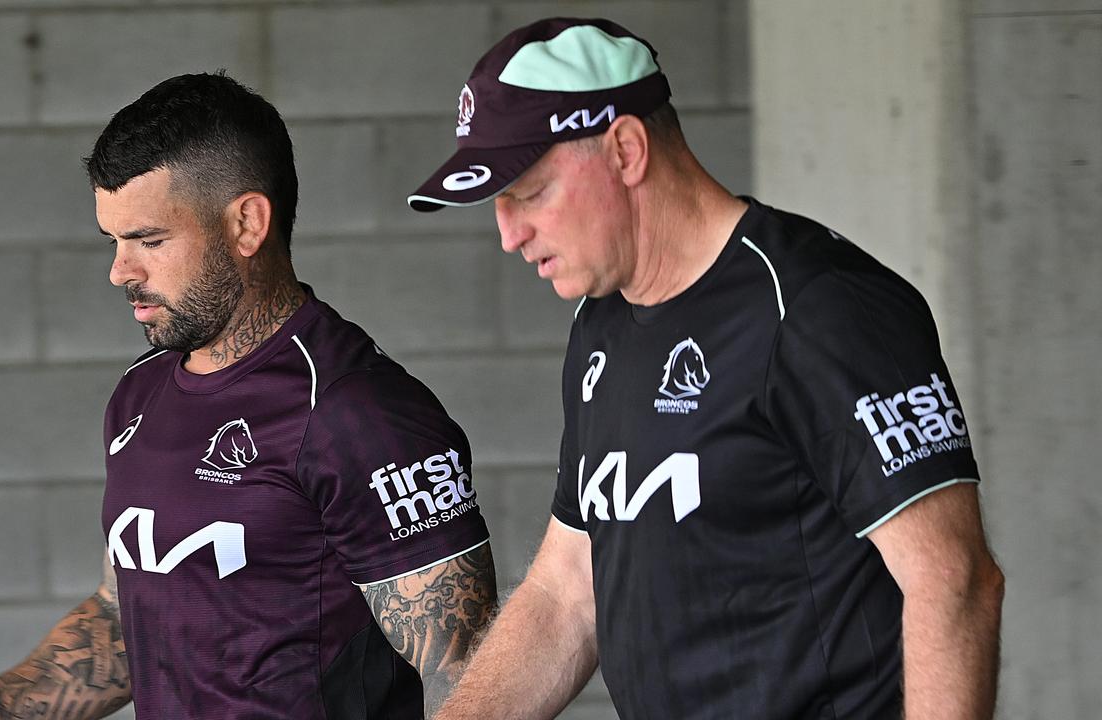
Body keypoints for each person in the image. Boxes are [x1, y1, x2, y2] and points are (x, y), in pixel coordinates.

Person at [407, 17, 1004, 720]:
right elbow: (568, 591)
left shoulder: (817, 308)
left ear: (626, 149)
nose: (508, 234)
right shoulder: (600, 323)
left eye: (529, 192)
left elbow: (954, 582)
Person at [0, 72, 496, 720]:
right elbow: (127, 617)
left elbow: (473, 679)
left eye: (149, 240)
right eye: (113, 241)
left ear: (246, 224)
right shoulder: (139, 392)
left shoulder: (356, 413)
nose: (120, 271)